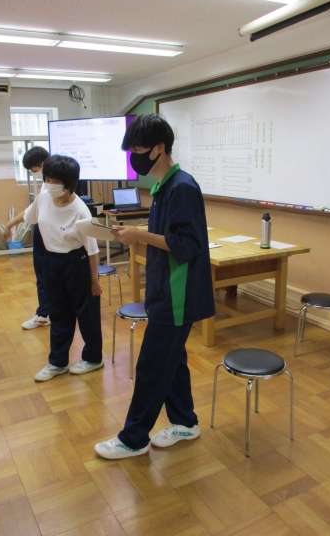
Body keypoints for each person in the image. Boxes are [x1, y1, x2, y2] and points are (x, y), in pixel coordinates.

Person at [95, 114, 215, 460]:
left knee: (151, 365)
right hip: (165, 291)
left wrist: (139, 235)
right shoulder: (165, 187)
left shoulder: (182, 188)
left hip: (178, 296)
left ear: (159, 148)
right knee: (172, 360)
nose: (134, 158)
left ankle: (133, 439)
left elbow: (186, 246)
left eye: (138, 150)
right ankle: (185, 422)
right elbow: (168, 237)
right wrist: (137, 235)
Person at [5, 155, 103, 381]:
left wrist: (94, 281)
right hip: (51, 262)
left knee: (87, 315)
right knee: (58, 313)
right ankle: (57, 363)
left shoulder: (81, 211)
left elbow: (92, 250)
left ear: (69, 183)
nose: (49, 184)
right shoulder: (43, 198)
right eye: (47, 179)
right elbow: (29, 217)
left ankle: (93, 358)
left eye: (55, 181)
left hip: (77, 263)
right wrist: (9, 225)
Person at [20, 146, 51, 330]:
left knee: (43, 275)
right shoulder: (49, 181)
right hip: (47, 231)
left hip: (46, 232)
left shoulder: (50, 183)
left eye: (33, 169)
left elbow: (31, 214)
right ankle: (48, 312)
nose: (34, 173)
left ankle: (43, 315)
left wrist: (10, 224)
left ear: (41, 163)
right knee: (46, 276)